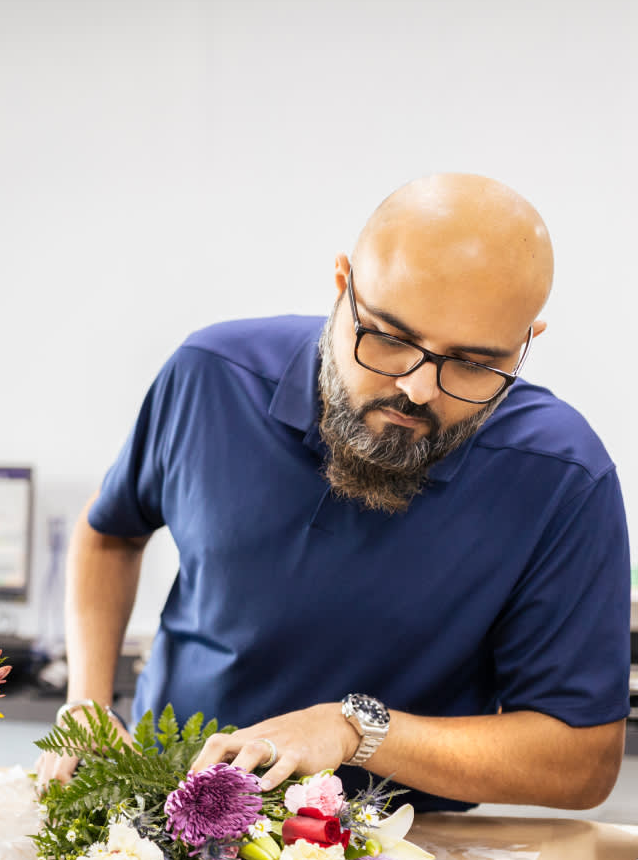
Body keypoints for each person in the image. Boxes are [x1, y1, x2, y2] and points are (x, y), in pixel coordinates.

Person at [36, 173, 631, 812]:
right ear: (344, 285)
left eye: (472, 363)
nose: (419, 388)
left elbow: (581, 762)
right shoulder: (211, 375)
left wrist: (358, 730)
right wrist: (88, 704)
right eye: (392, 338)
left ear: (524, 344)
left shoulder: (562, 475)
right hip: (159, 810)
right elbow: (110, 534)